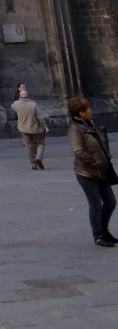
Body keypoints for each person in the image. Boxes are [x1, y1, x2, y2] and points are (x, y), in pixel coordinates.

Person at [67, 96, 118, 247]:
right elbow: (78, 151)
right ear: (81, 113)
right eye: (88, 109)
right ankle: (98, 234)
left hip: (101, 171)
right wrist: (96, 160)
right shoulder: (75, 129)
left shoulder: (88, 124)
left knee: (110, 201)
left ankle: (103, 230)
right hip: (86, 173)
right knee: (95, 203)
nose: (91, 111)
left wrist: (105, 157)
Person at [11, 87, 47, 169]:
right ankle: (38, 158)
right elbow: (40, 117)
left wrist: (18, 100)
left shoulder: (16, 104)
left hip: (24, 129)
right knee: (40, 143)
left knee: (29, 146)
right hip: (35, 128)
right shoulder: (33, 105)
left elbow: (12, 106)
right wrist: (44, 126)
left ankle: (33, 163)